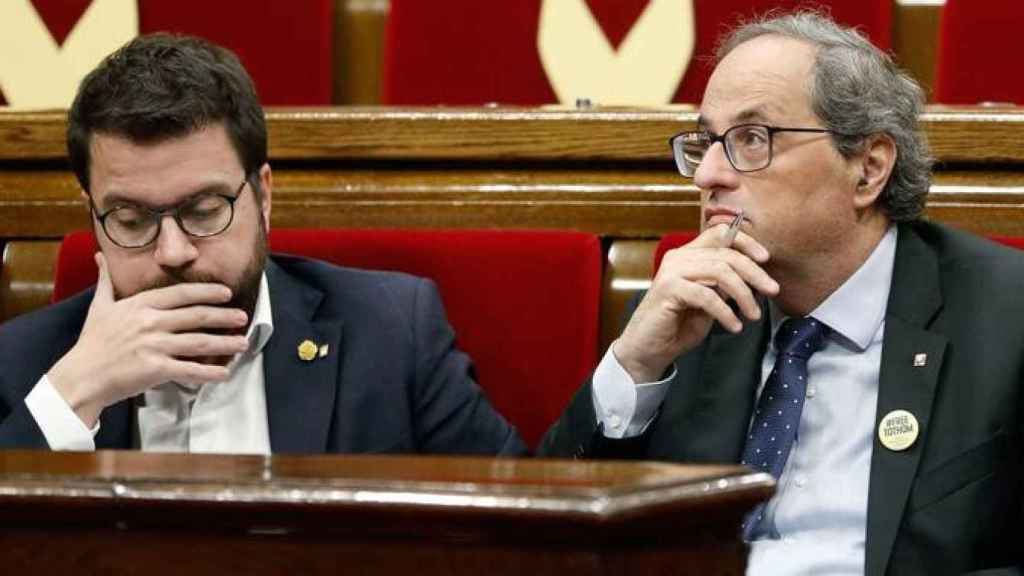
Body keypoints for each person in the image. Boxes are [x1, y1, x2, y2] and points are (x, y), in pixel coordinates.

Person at [541, 11, 1023, 576]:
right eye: (706, 142)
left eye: (752, 139)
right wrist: (635, 365)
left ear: (868, 169)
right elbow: (545, 539)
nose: (708, 176)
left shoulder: (1005, 315)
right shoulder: (685, 320)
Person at [0, 33, 525, 457]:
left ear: (263, 196)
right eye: (132, 220)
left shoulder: (391, 335)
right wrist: (73, 395)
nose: (173, 251)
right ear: (92, 214)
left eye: (205, 211)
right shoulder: (29, 365)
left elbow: (525, 534)